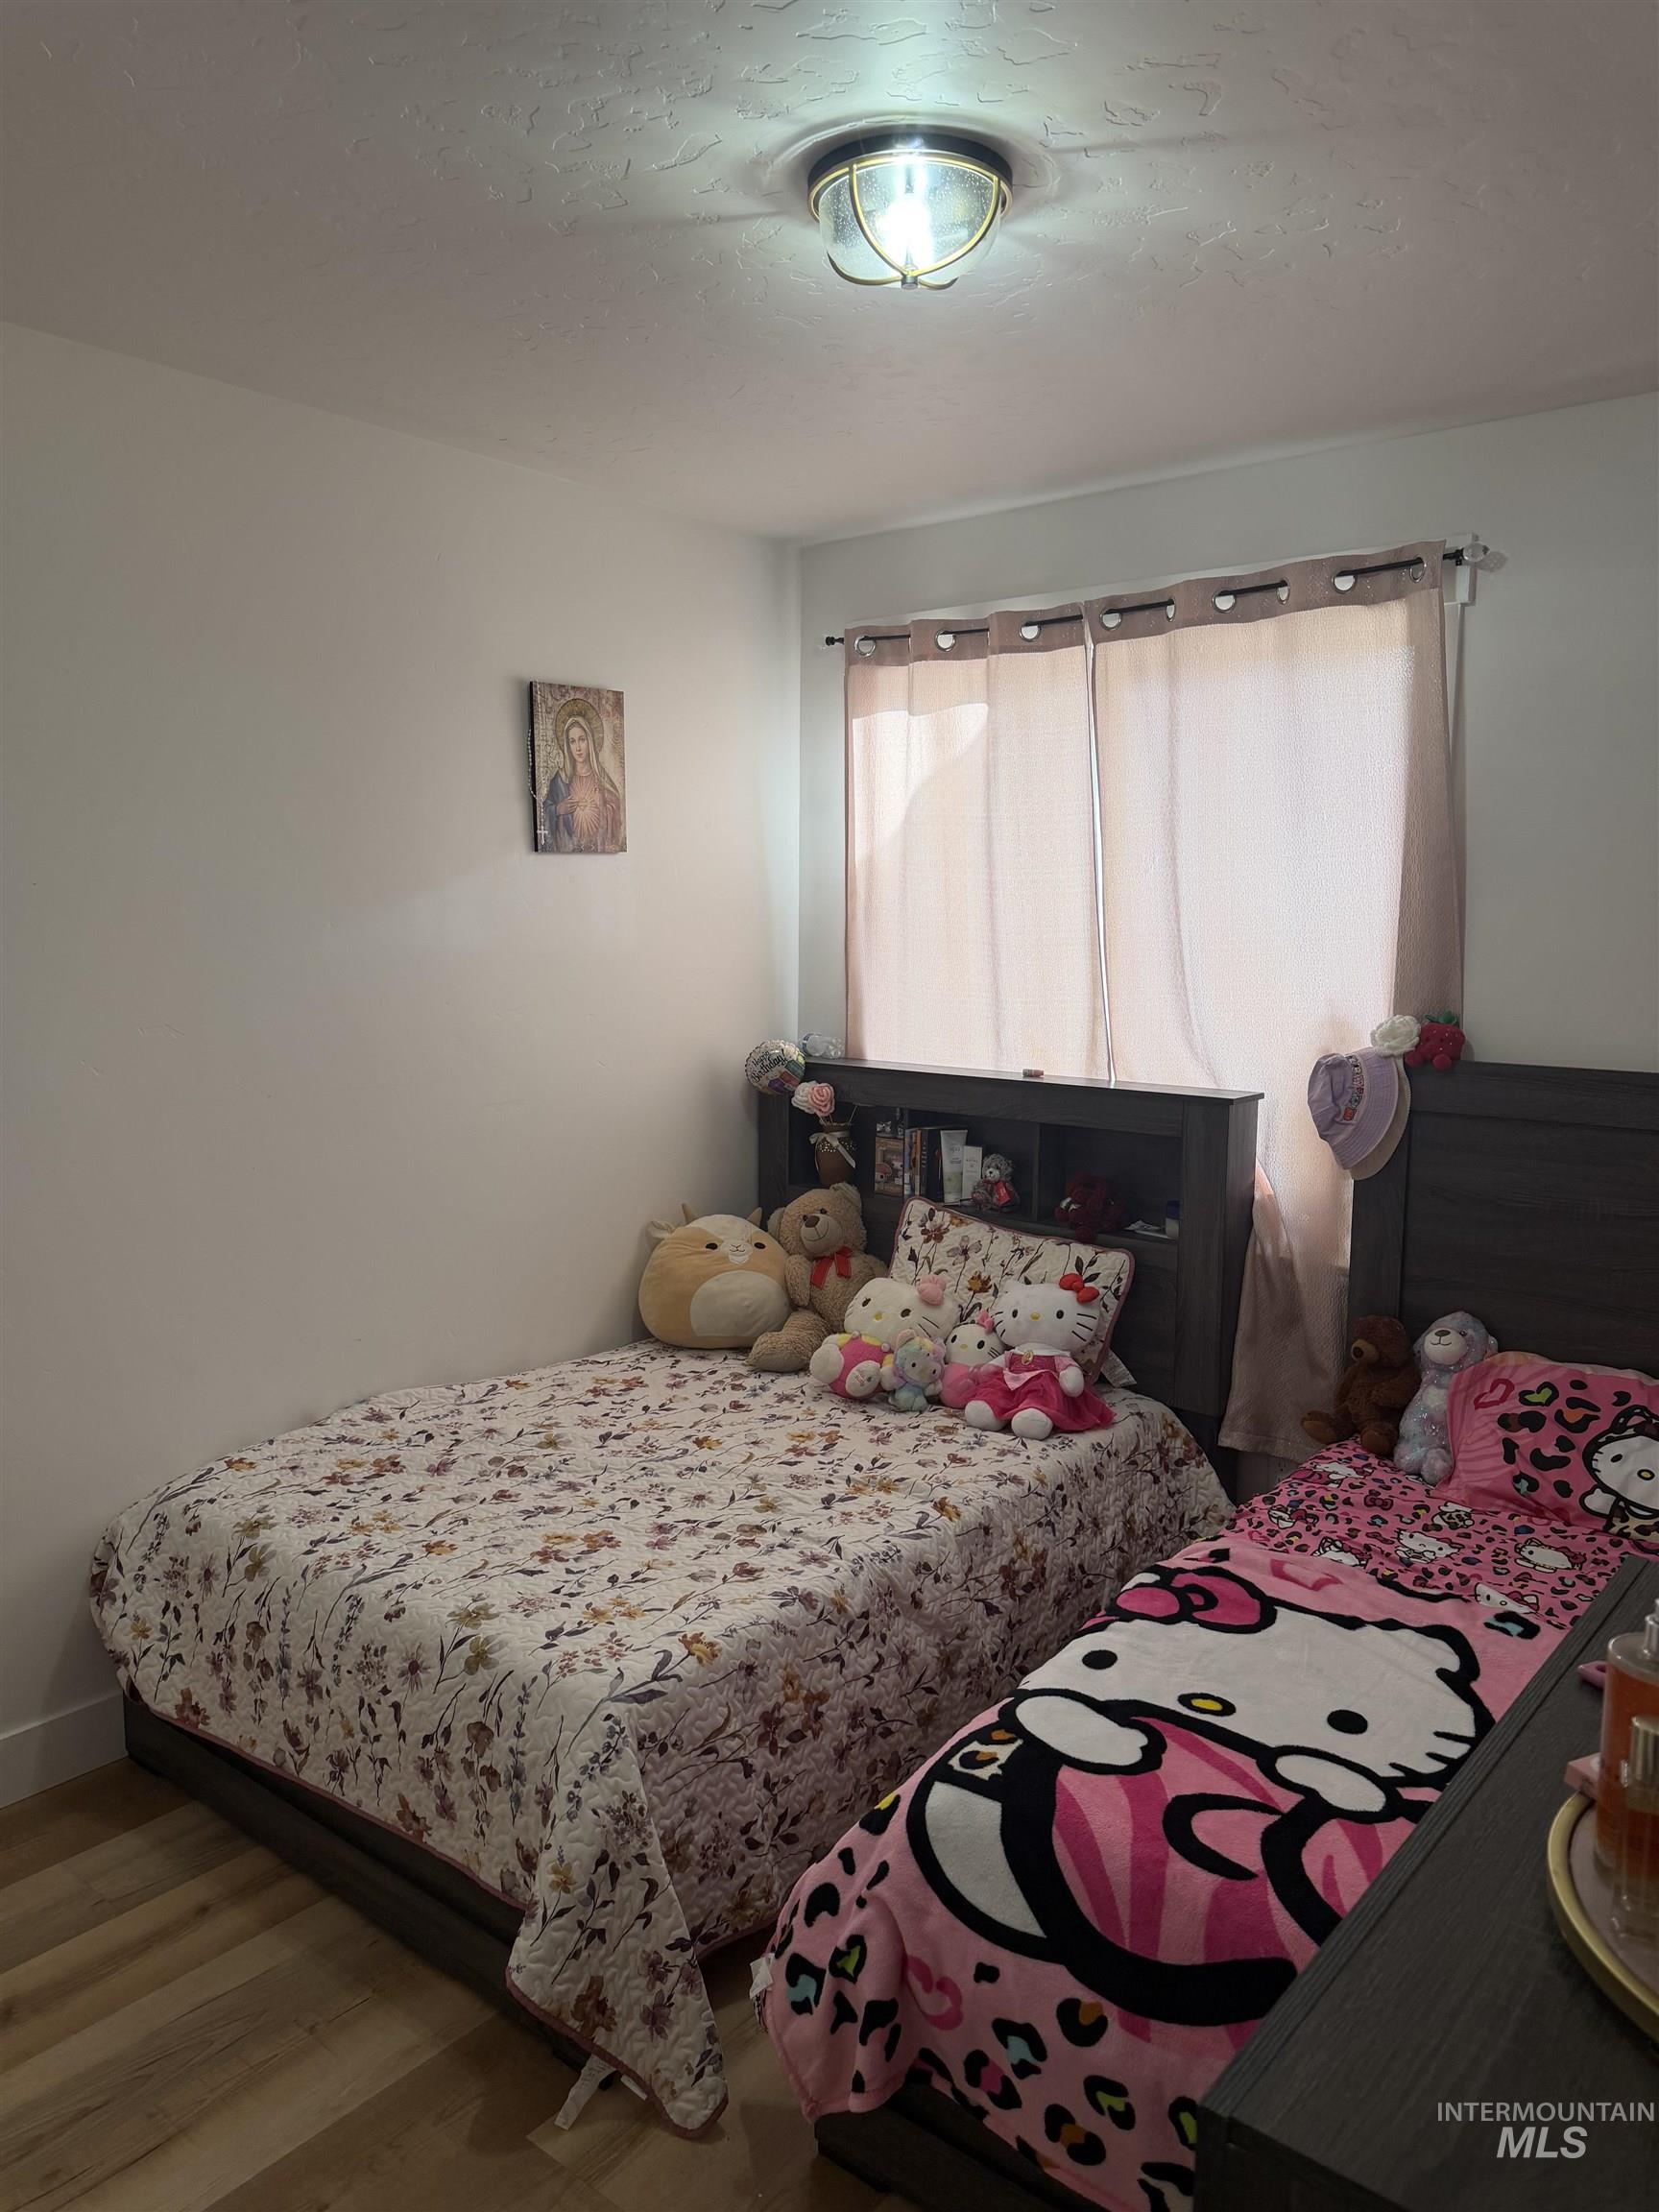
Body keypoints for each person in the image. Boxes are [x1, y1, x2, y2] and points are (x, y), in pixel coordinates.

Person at [546, 714, 622, 853]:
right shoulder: (560, 781)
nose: (578, 748)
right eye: (572, 741)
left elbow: (617, 809)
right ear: (567, 746)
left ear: (590, 741)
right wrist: (557, 810)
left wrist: (603, 805)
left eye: (582, 739)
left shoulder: (602, 780)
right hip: (565, 855)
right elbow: (543, 813)